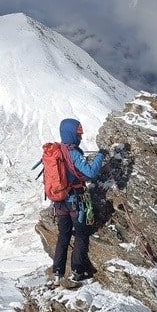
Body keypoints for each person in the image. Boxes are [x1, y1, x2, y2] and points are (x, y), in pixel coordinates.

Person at [51, 118, 105, 289]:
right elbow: (90, 173)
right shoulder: (73, 152)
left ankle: (57, 273)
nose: (80, 136)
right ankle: (77, 272)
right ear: (72, 133)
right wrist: (100, 156)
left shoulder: (56, 152)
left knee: (63, 235)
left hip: (59, 202)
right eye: (78, 133)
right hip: (75, 199)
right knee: (81, 234)